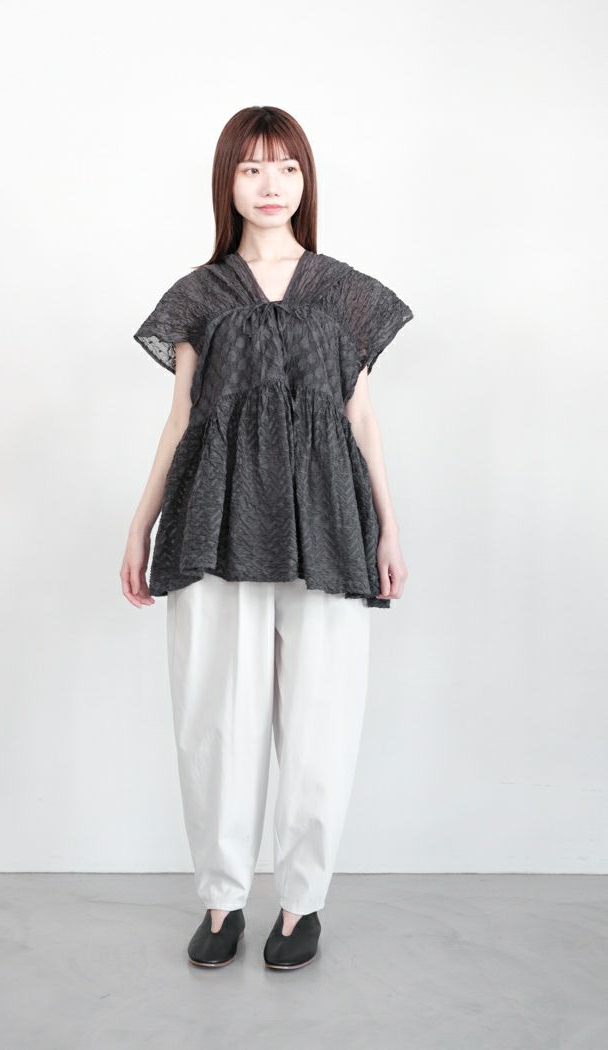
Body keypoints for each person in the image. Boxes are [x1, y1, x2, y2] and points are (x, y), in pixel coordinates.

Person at [121, 105, 413, 970]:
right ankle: (222, 901)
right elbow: (181, 420)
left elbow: (362, 419)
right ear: (228, 182)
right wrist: (140, 524)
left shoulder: (346, 293)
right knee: (215, 718)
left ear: (305, 179)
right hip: (214, 520)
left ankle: (301, 905)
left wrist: (389, 527)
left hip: (327, 523)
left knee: (322, 719)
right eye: (251, 168)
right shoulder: (200, 295)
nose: (270, 184)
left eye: (285, 166)